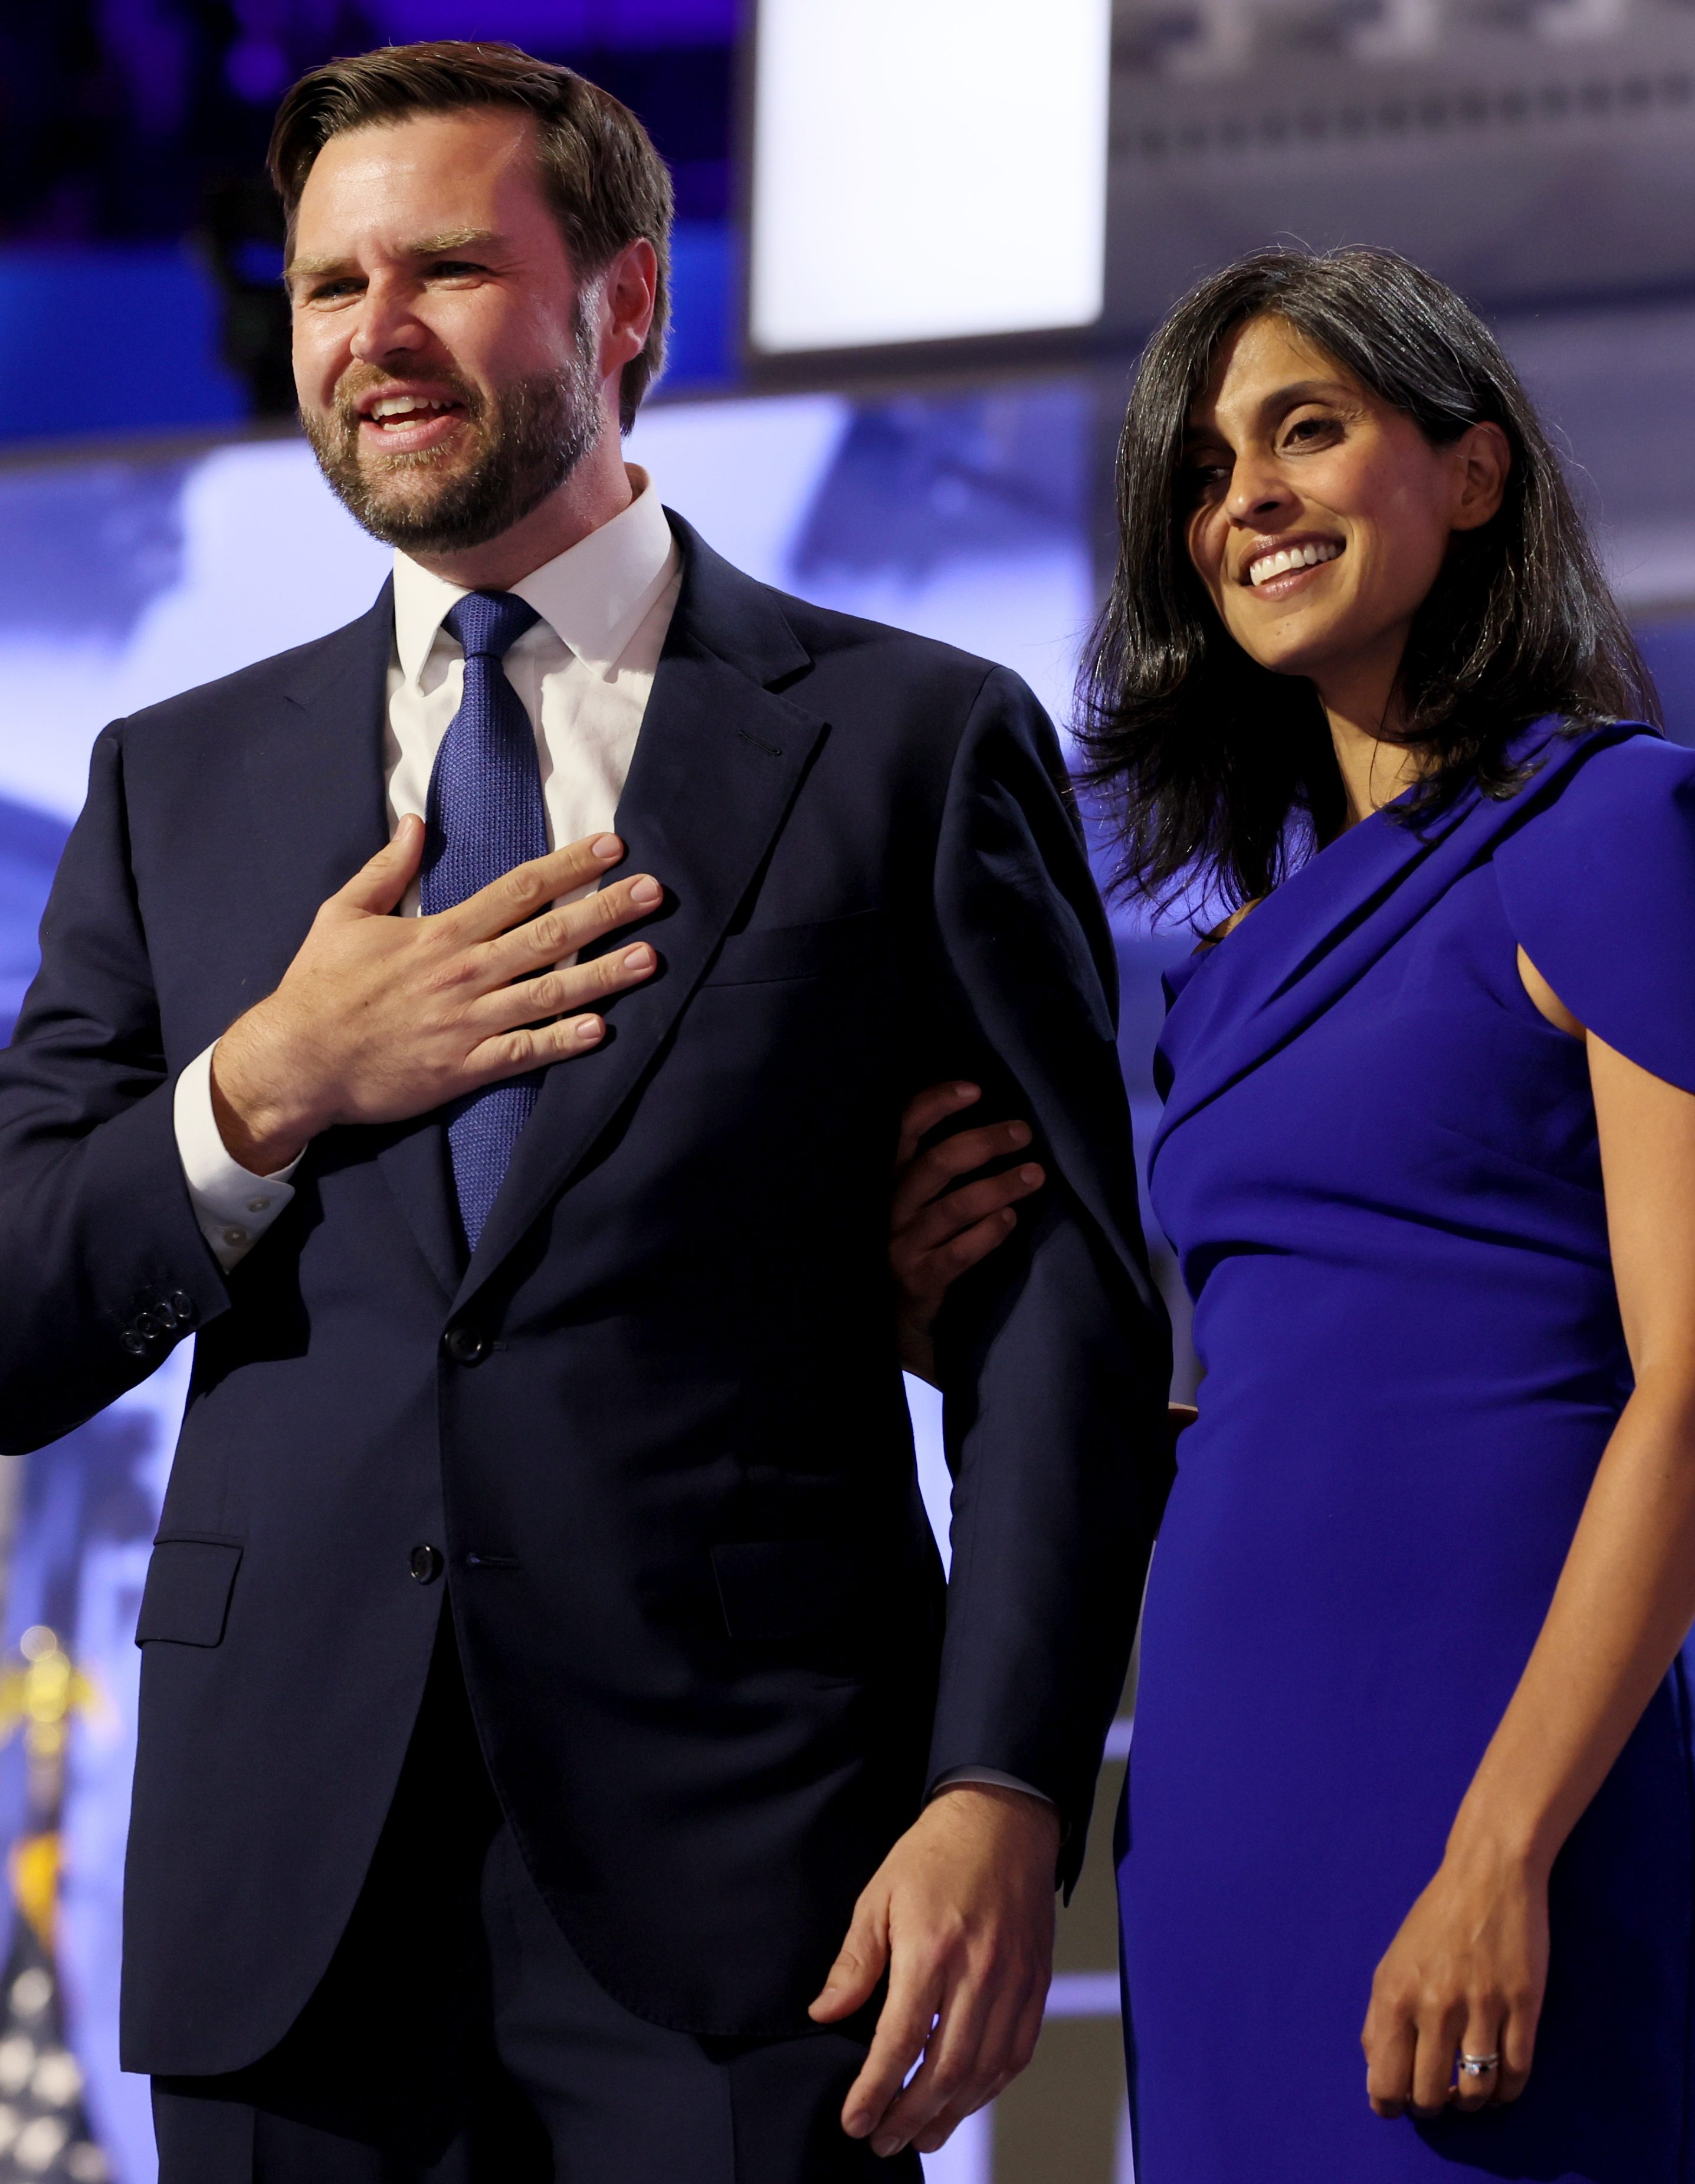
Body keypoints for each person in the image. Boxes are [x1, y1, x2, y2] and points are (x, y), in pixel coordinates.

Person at [0, 42, 1173, 2183]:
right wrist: (267, 1089)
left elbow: (1061, 1337)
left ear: (625, 306)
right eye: (330, 285)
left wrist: (1000, 1791)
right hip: (290, 1910)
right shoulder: (174, 785)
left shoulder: (912, 740)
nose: (375, 336)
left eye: (447, 267)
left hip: (754, 1895)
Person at [891, 243, 1695, 2182]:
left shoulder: (1616, 829)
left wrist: (1502, 1847)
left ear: (1472, 472)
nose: (1240, 495)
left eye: (1306, 430)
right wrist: (973, 1349)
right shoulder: (1233, 967)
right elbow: (1289, 1407)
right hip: (1229, 1811)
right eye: (1202, 464)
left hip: (1506, 1786)